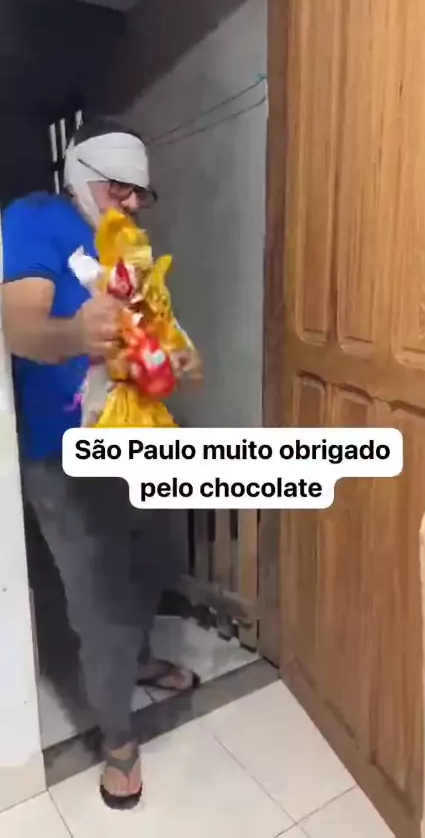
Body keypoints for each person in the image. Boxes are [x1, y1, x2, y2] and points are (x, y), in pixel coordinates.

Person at [1, 117, 202, 810]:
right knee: (99, 600)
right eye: (124, 188)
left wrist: (172, 355)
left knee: (148, 563)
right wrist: (72, 334)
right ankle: (119, 741)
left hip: (134, 442)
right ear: (85, 174)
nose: (136, 202)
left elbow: (148, 332)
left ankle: (136, 662)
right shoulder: (35, 218)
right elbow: (18, 326)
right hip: (61, 456)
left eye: (143, 192)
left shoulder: (126, 243)